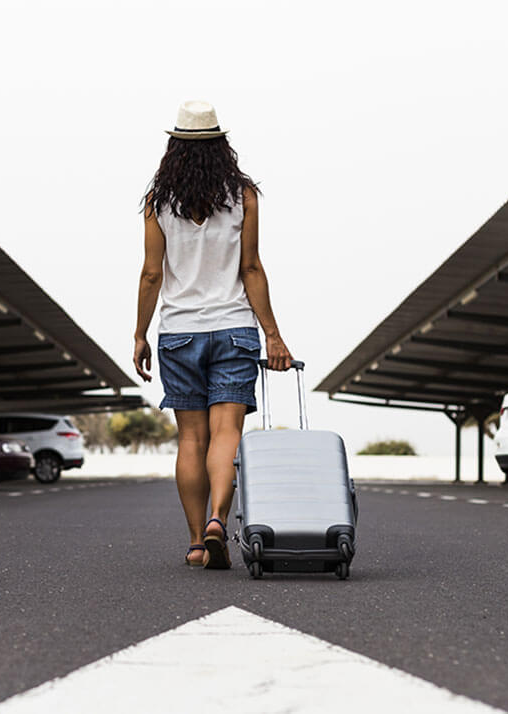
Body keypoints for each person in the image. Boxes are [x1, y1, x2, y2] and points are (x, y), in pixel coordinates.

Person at [133, 100, 292, 569]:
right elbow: (251, 267)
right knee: (227, 433)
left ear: (173, 147)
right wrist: (274, 336)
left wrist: (140, 334)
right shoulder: (243, 195)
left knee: (191, 441)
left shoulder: (157, 202)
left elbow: (150, 274)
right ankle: (219, 518)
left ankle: (196, 542)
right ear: (222, 145)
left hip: (179, 332)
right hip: (235, 330)